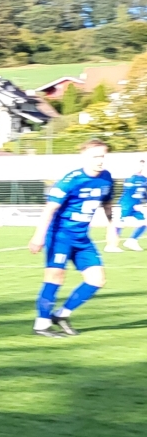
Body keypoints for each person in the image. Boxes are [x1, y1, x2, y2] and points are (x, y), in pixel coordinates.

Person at [30, 139, 114, 337]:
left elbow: (107, 204)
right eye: (95, 156)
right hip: (60, 236)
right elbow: (49, 209)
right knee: (55, 277)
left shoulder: (107, 178)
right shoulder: (71, 180)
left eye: (102, 156)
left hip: (82, 238)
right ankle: (41, 324)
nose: (100, 160)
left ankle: (62, 314)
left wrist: (112, 227)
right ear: (84, 157)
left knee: (97, 280)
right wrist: (38, 236)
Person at [104, 158, 146, 252]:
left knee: (144, 222)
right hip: (126, 205)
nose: (141, 167)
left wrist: (141, 201)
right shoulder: (130, 178)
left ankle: (132, 241)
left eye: (142, 165)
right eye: (139, 165)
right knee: (119, 224)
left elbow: (143, 194)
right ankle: (111, 246)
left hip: (136, 206)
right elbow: (130, 191)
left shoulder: (144, 179)